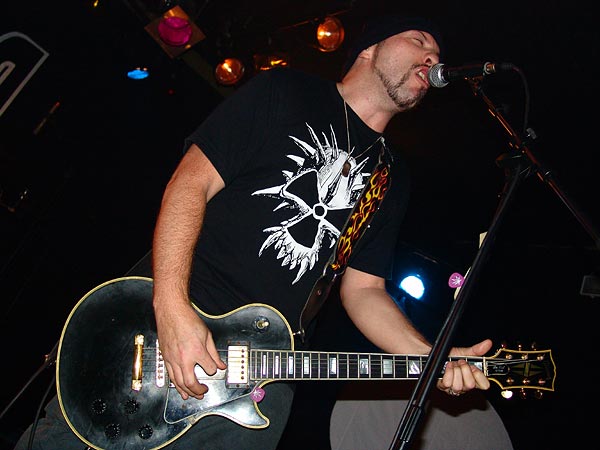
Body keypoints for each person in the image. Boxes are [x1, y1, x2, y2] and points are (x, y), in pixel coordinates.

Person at [13, 13, 493, 450]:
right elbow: (190, 184)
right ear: (369, 47)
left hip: (262, 381)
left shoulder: (392, 177)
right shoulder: (286, 91)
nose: (432, 59)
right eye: (419, 41)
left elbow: (364, 290)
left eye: (437, 55)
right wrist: (172, 309)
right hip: (160, 330)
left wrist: (433, 357)